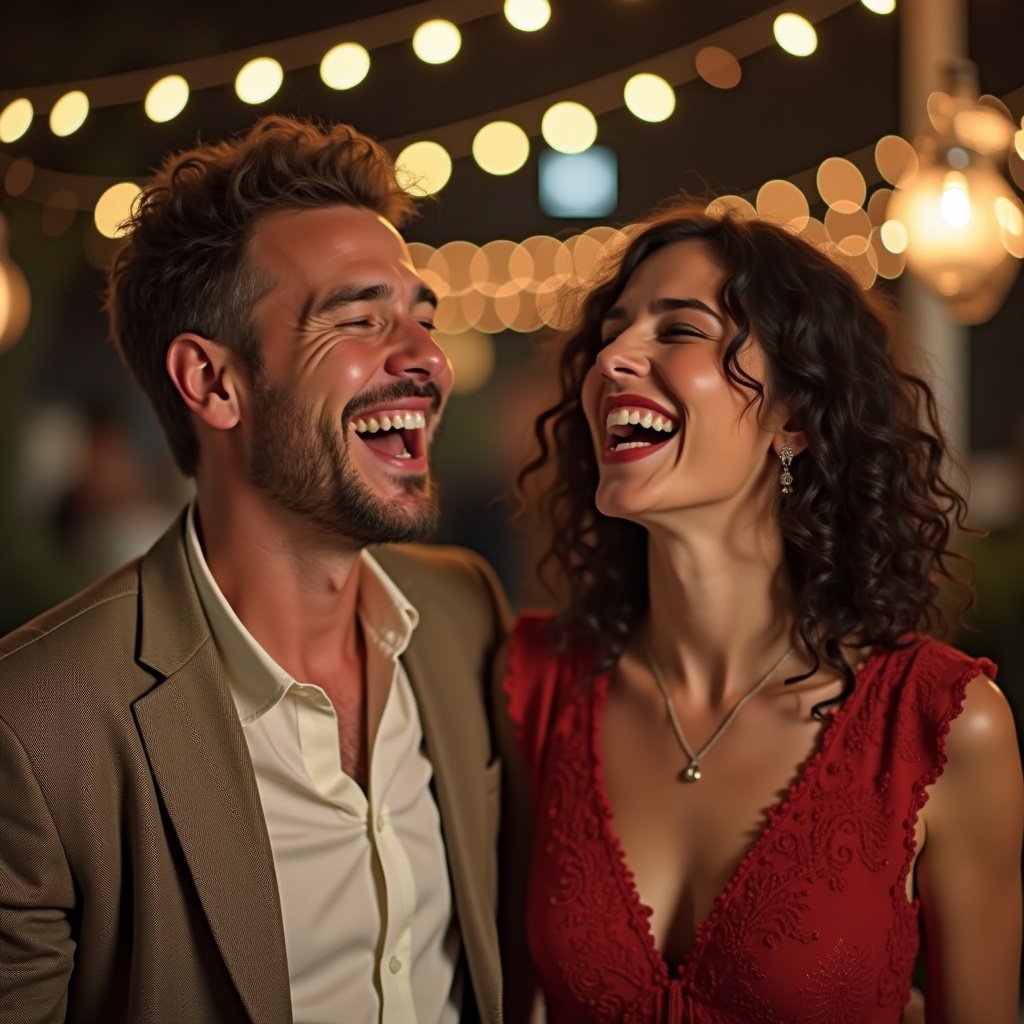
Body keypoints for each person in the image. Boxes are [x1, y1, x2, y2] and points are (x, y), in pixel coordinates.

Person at [0, 115, 509, 1024]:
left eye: (421, 319)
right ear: (213, 382)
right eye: (360, 318)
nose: (428, 358)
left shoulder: (467, 612)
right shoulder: (35, 726)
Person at [496, 201, 1023, 1023]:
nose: (611, 358)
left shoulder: (941, 724)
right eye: (614, 331)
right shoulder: (536, 685)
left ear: (795, 418)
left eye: (677, 331)